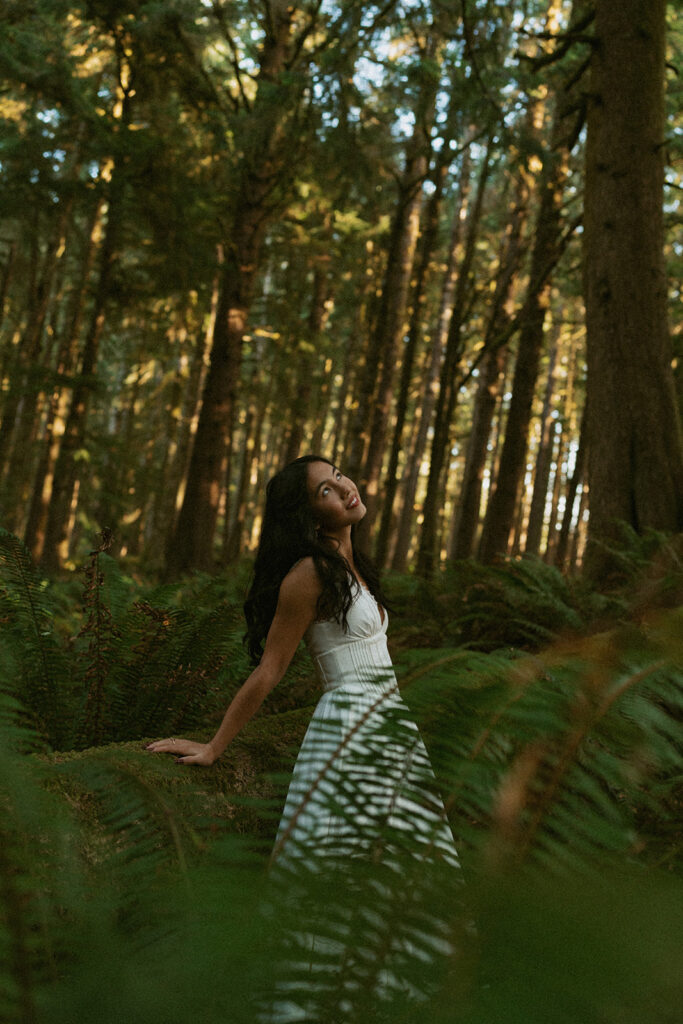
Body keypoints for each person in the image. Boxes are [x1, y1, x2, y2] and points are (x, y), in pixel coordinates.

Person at [147, 455, 460, 1015]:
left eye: (339, 474)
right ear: (310, 517)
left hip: (391, 729)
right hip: (348, 733)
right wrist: (214, 746)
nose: (343, 487)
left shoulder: (353, 566)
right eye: (325, 489)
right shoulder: (309, 574)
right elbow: (271, 668)